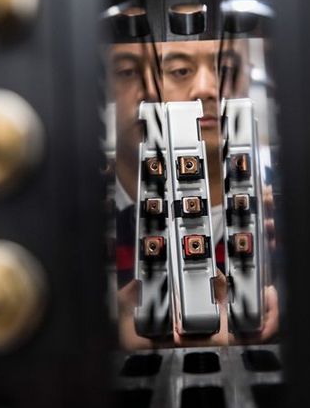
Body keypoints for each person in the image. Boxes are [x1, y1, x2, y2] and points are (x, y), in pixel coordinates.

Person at [106, 39, 279, 349]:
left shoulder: (289, 204)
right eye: (180, 70)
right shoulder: (70, 214)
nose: (207, 87)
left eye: (225, 69)